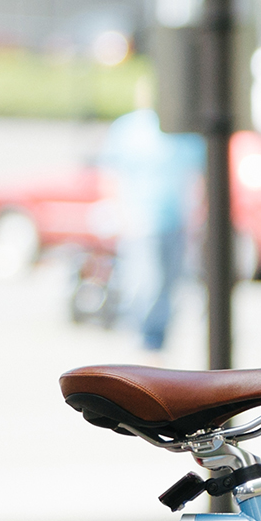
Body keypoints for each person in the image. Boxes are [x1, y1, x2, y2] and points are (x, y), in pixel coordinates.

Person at [102, 80, 200, 355]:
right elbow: (113, 173)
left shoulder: (180, 131)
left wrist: (193, 218)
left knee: (170, 284)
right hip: (141, 221)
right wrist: (121, 213)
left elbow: (193, 176)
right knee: (145, 283)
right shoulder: (128, 129)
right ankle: (141, 336)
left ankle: (157, 340)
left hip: (175, 221)